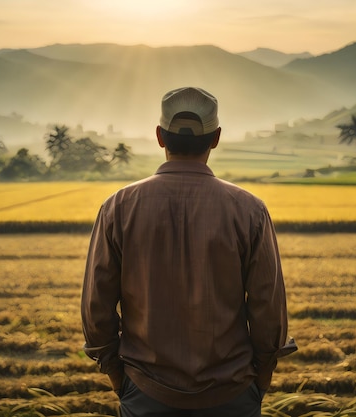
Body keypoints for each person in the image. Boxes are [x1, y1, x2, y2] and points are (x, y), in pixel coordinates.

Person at [81, 86, 296, 417]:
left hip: (145, 394)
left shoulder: (118, 208)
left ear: (159, 137)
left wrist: (118, 378)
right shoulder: (249, 210)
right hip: (233, 395)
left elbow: (97, 308)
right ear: (216, 138)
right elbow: (268, 309)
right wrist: (261, 381)